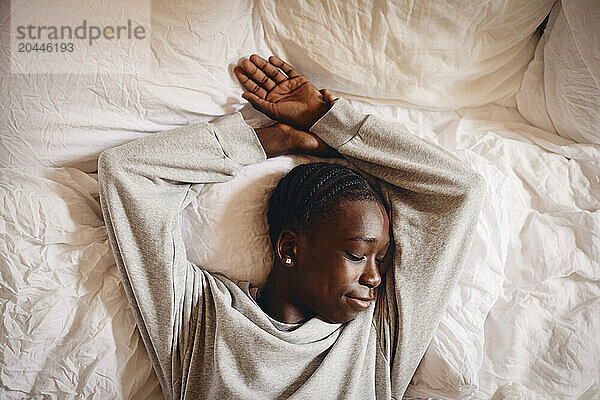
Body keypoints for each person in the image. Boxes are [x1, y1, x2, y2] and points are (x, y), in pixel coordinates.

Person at [98, 54, 485, 400]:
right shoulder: (201, 314)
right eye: (357, 254)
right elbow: (127, 173)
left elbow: (458, 191)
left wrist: (330, 123)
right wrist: (271, 141)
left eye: (381, 259)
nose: (375, 277)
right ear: (290, 249)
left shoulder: (377, 338)